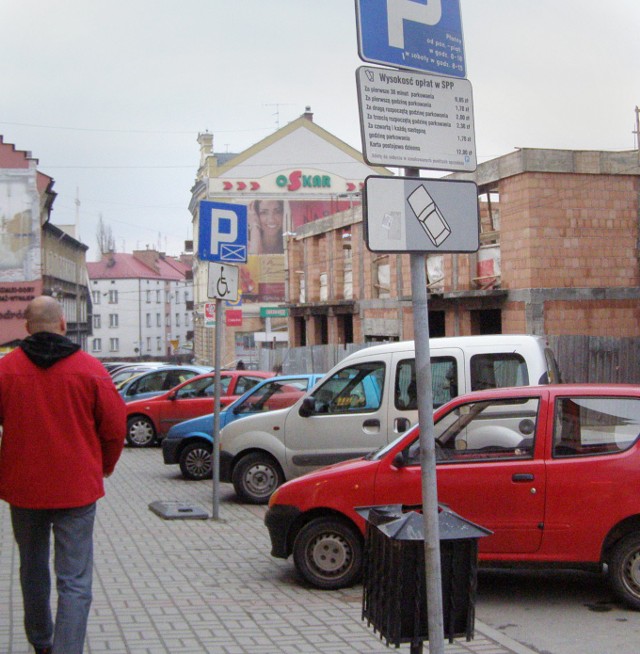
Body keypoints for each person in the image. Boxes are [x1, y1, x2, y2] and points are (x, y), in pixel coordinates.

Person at [0, 295, 126, 654]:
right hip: (77, 490)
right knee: (74, 579)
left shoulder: (6, 370)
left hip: (23, 490)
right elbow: (115, 428)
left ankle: (41, 641)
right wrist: (103, 466)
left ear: (26, 328)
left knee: (32, 568)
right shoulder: (90, 369)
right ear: (63, 325)